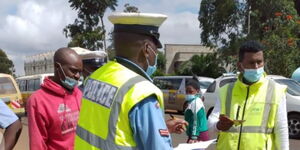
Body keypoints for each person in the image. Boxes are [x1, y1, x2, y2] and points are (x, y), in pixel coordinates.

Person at [75, 12, 188, 150]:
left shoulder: (96, 76)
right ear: (147, 49)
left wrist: (162, 128)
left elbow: (111, 128)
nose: (156, 55)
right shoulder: (141, 92)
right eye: (156, 50)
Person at [208, 40, 289, 150]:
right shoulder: (226, 90)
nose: (256, 67)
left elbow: (281, 130)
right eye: (251, 63)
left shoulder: (275, 90)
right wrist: (218, 125)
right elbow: (210, 125)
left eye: (259, 62)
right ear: (240, 66)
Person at [27, 48, 83, 150]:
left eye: (80, 72)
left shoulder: (78, 94)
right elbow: (38, 144)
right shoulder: (38, 101)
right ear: (57, 67)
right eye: (74, 71)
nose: (78, 76)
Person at [184, 77, 209, 143]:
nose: (188, 93)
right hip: (196, 134)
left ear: (197, 91)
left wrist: (194, 137)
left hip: (198, 135)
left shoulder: (196, 102)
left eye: (191, 91)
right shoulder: (193, 101)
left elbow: (195, 121)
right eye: (186, 91)